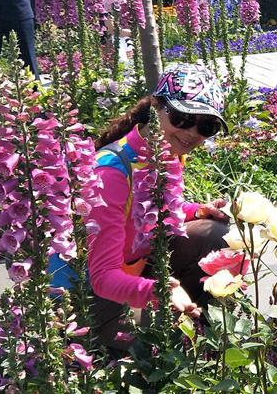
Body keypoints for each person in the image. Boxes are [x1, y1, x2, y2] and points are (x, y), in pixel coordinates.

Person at [85, 63, 231, 351]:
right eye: (182, 117)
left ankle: (193, 329)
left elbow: (147, 211)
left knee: (216, 233)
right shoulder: (110, 171)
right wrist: (161, 292)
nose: (191, 132)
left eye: (206, 126)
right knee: (155, 343)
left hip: (134, 269)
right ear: (155, 105)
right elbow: (101, 277)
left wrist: (195, 211)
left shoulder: (167, 151)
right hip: (84, 293)